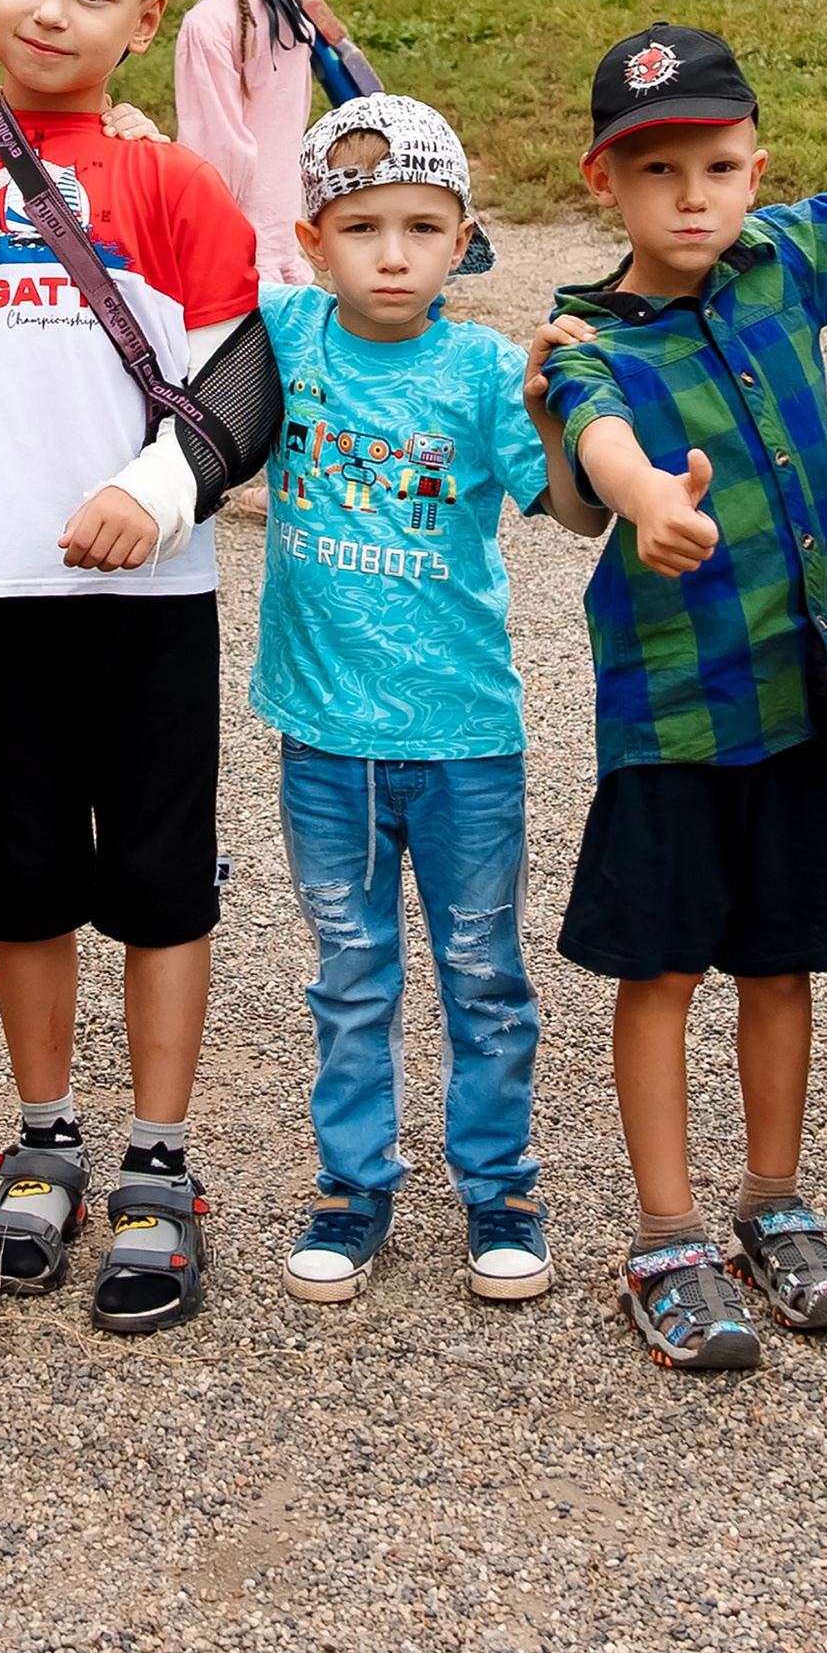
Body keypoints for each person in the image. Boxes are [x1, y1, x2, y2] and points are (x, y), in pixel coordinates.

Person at [0, 0, 272, 1334]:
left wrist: (160, 489)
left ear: (143, 21)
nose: (55, 13)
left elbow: (247, 380)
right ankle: (44, 1137)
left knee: (166, 882)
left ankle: (160, 1166)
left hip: (149, 588)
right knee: (29, 878)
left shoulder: (170, 181)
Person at [537, 23, 827, 1374]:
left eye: (718, 166)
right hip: (676, 713)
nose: (692, 195)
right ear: (602, 183)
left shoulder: (782, 262)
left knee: (782, 960)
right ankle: (667, 1234)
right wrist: (645, 503)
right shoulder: (584, 336)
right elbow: (601, 443)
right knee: (665, 965)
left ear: (755, 168)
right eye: (658, 168)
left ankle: (773, 1202)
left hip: (805, 703)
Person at [254, 96, 567, 1310]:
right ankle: (352, 1190)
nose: (393, 254)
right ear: (311, 237)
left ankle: (500, 1193)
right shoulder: (283, 337)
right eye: (363, 226)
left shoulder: (489, 372)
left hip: (464, 741)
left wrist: (565, 410)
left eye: (422, 228)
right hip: (324, 741)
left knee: (483, 970)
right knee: (348, 969)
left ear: (463, 238)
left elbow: (571, 508)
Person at [172, 0, 317, 289]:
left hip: (234, 234)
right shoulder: (290, 11)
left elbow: (216, 145)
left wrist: (193, 227)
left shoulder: (206, 24)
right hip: (284, 221)